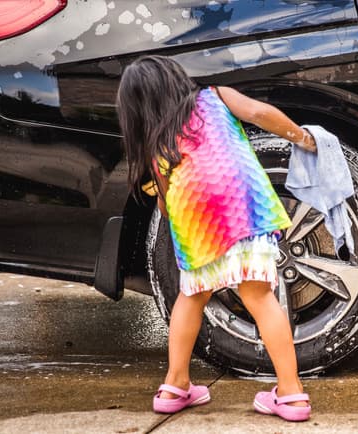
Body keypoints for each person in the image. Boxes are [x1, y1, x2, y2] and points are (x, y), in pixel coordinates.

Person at [116, 55, 316, 422]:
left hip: (196, 219)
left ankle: (175, 386)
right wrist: (302, 138)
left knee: (191, 297)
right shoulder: (216, 96)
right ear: (176, 79)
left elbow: (164, 206)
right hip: (243, 205)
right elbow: (259, 112)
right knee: (258, 295)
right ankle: (291, 394)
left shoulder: (157, 144)